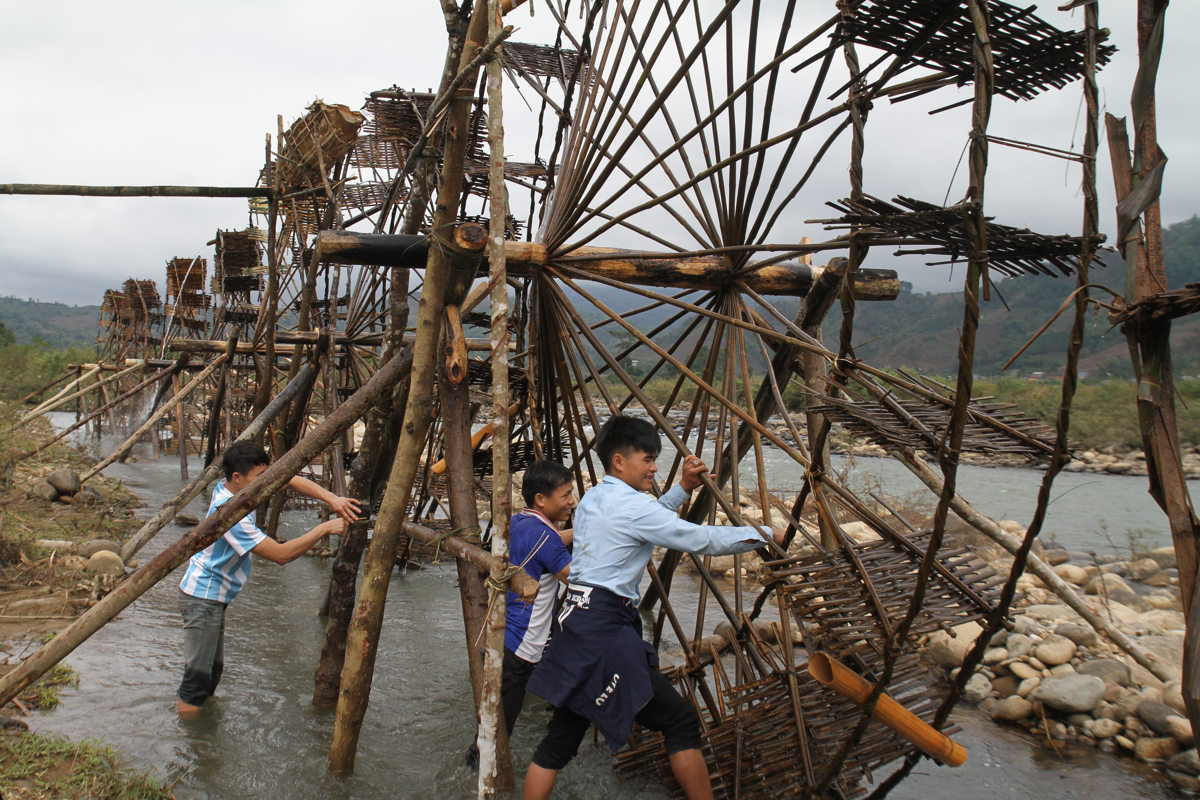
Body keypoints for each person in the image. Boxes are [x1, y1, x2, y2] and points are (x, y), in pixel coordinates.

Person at [521, 415, 786, 800]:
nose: (654, 467)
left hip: (576, 621)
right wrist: (762, 534)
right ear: (619, 461)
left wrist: (681, 489)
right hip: (606, 630)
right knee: (680, 721)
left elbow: (646, 519)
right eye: (647, 458)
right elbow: (700, 539)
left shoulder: (596, 496)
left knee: (559, 742)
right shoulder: (633, 507)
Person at [176, 440, 361, 717]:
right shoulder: (229, 514)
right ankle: (191, 737)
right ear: (237, 478)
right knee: (198, 677)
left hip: (212, 596)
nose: (267, 483)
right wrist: (323, 528)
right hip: (203, 597)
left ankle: (204, 727)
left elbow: (289, 479)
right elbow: (281, 555)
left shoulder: (237, 488)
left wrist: (333, 499)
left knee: (212, 670)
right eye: (260, 478)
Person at [467, 459, 575, 769]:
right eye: (565, 495)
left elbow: (550, 542)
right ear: (541, 499)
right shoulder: (548, 540)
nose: (571, 502)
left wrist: (578, 532)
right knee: (499, 731)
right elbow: (578, 580)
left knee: (493, 720)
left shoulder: (520, 522)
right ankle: (479, 776)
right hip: (522, 646)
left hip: (504, 634)